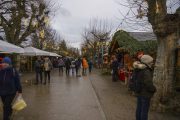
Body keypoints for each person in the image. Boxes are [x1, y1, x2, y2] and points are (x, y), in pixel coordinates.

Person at [133, 55, 156, 120]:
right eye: (151, 62)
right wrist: (154, 89)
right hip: (145, 94)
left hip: (139, 91)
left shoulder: (138, 68)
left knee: (139, 108)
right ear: (147, 62)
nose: (152, 63)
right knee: (144, 111)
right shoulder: (146, 71)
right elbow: (148, 84)